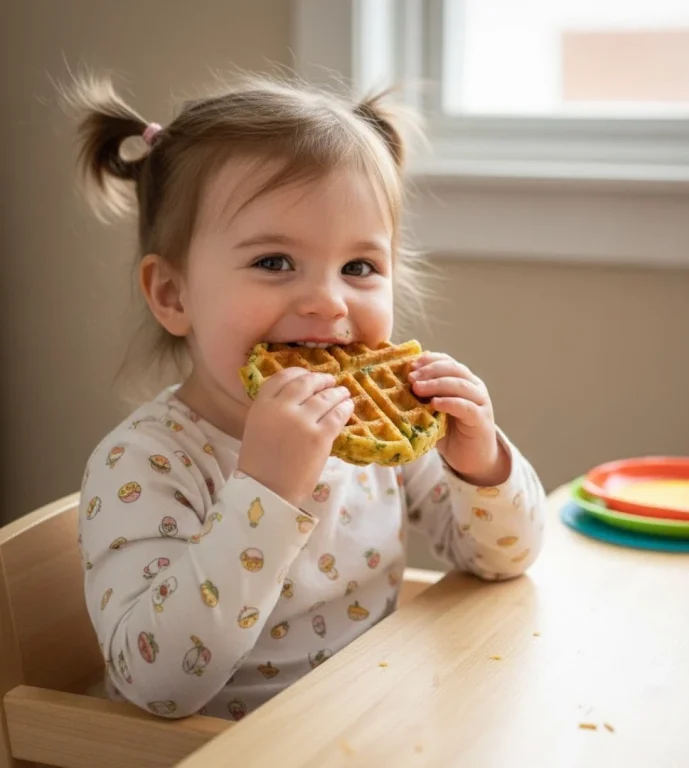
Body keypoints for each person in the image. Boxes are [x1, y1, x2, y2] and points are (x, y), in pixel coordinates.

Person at [72, 72, 546, 721]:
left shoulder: (378, 437)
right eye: (274, 262)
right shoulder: (147, 463)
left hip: (368, 725)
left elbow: (503, 560)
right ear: (173, 295)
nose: (329, 300)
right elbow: (158, 686)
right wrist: (264, 493)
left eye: (359, 268)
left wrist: (481, 465)